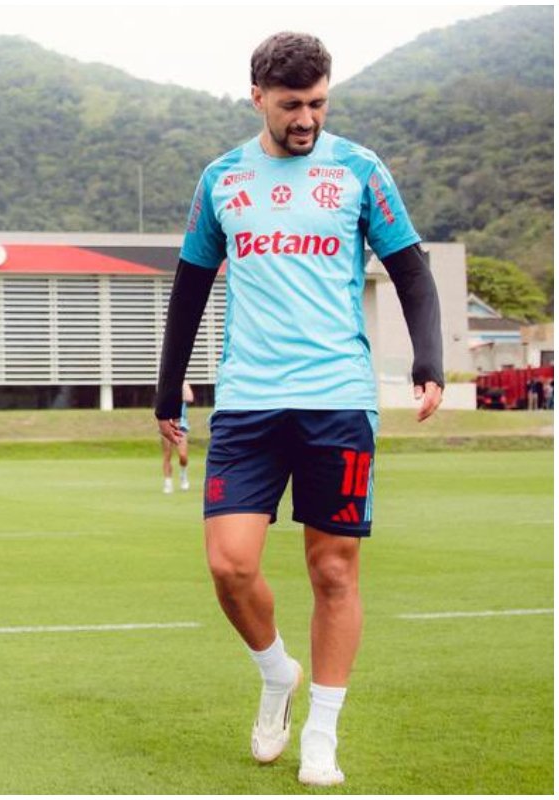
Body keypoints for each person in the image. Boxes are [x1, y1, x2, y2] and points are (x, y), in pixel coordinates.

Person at [153, 32, 443, 787]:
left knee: (334, 572)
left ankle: (322, 730)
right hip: (248, 401)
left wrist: (428, 361)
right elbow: (189, 286)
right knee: (229, 565)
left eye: (317, 102)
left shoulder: (359, 170)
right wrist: (166, 393)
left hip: (338, 400)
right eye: (292, 105)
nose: (306, 118)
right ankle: (276, 671)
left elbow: (411, 269)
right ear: (258, 97)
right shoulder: (221, 179)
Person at [162, 381, 195, 493]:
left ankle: (183, 474)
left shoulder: (183, 383)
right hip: (167, 422)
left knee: (183, 455)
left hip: (181, 424)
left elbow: (190, 398)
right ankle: (168, 482)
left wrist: (183, 385)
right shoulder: (164, 382)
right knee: (167, 455)